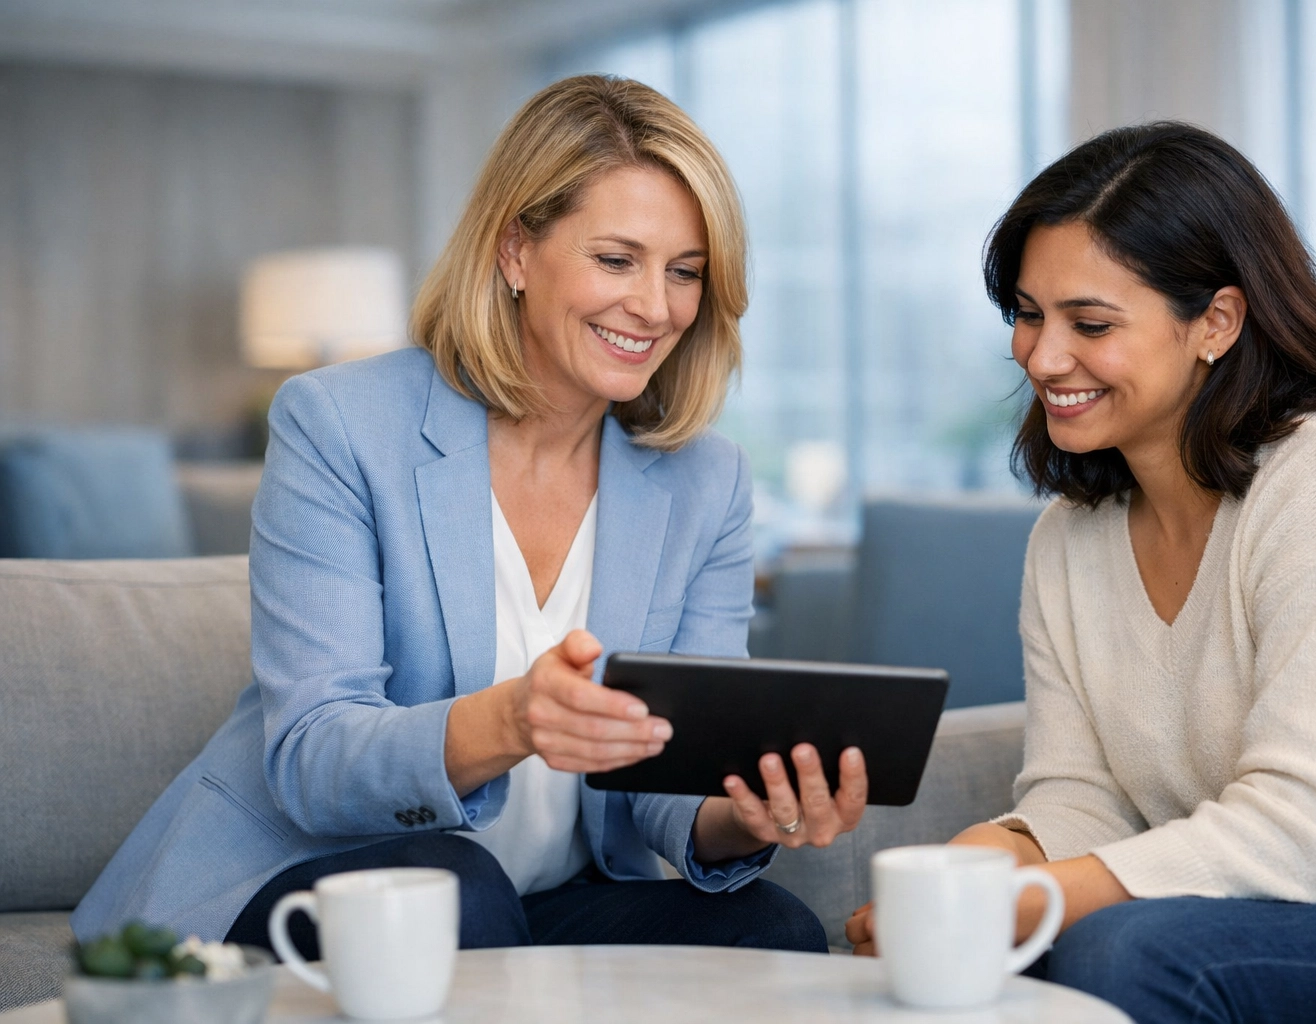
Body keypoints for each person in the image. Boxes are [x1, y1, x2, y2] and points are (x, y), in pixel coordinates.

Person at [73, 75, 866, 956]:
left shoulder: (706, 480)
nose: (656, 306)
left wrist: (748, 815)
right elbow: (313, 758)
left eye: (685, 272)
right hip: (309, 872)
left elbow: (667, 781)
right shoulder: (340, 424)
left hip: (537, 902)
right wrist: (516, 719)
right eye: (617, 260)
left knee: (772, 927)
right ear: (515, 250)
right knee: (458, 894)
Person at [846, 121, 1316, 1020]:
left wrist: (1031, 900)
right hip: (1284, 917)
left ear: (1216, 322)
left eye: (1090, 324)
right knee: (991, 955)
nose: (1042, 358)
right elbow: (1080, 797)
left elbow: (1311, 825)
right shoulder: (1068, 539)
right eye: (1027, 314)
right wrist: (970, 873)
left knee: (1121, 949)